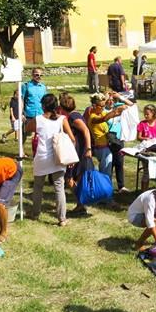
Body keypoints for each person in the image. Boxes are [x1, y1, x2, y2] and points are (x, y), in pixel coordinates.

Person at [25, 93, 76, 227]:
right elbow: (72, 138)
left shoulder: (38, 119)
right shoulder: (62, 119)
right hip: (58, 157)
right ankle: (62, 218)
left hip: (42, 157)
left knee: (38, 187)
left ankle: (35, 213)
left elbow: (27, 128)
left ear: (43, 105)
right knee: (59, 188)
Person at [60, 93, 93, 217]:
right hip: (78, 151)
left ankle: (81, 203)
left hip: (79, 152)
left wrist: (88, 148)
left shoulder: (74, 117)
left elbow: (85, 130)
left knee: (70, 179)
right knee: (74, 179)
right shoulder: (73, 115)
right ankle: (80, 204)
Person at [87, 93, 127, 184]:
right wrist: (114, 111)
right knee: (105, 173)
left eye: (103, 106)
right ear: (94, 106)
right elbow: (104, 118)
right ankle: (105, 192)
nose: (103, 108)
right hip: (101, 149)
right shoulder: (93, 117)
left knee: (106, 172)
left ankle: (105, 190)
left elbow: (113, 114)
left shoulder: (101, 113)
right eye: (101, 106)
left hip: (106, 148)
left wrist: (124, 109)